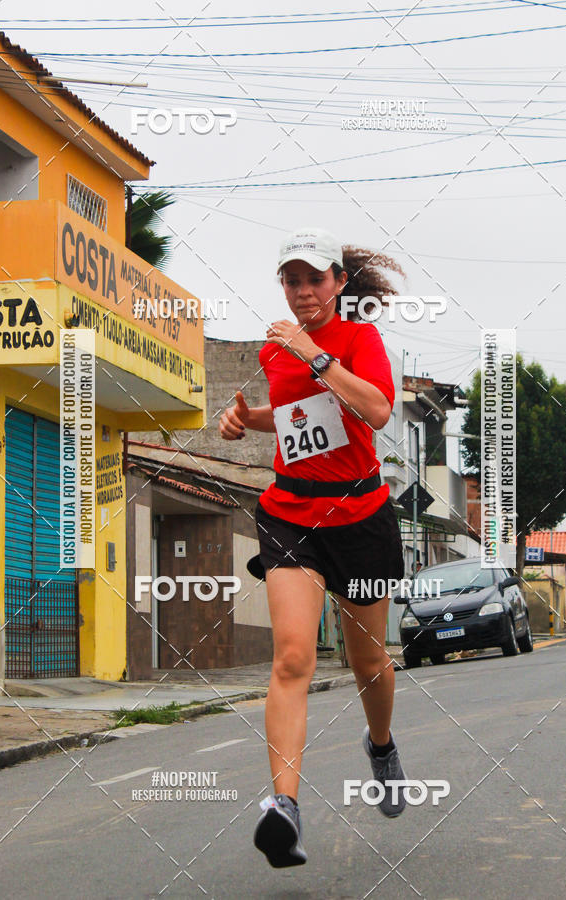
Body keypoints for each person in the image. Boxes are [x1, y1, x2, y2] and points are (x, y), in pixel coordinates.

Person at [219, 226, 406, 868]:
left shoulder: (359, 338)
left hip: (360, 517)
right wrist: (249, 419)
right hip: (290, 513)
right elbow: (303, 417)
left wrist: (314, 353)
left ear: (337, 283)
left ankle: (380, 745)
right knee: (292, 656)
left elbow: (375, 410)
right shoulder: (275, 355)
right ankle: (285, 810)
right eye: (291, 280)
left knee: (368, 665)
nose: (301, 291)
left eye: (313, 279)